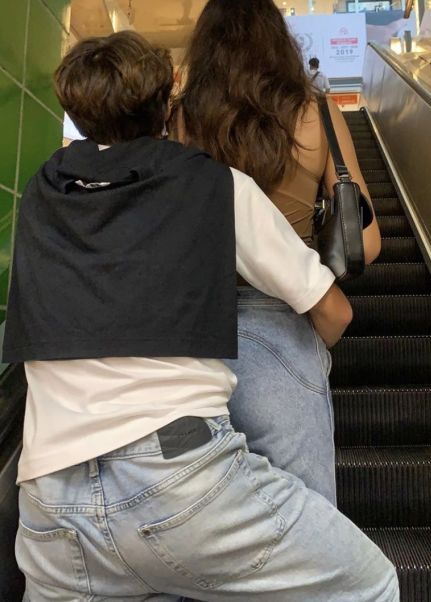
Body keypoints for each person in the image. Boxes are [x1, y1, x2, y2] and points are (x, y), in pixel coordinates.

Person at [4, 31, 399, 601]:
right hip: (177, 486)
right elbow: (333, 309)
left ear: (75, 112)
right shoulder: (213, 185)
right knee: (369, 584)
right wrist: (306, 359)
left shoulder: (40, 194)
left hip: (48, 504)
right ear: (169, 105)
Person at [173, 0, 382, 505]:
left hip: (194, 328)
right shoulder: (316, 114)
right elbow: (367, 243)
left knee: (203, 515)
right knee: (302, 524)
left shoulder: (181, 120)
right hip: (287, 319)